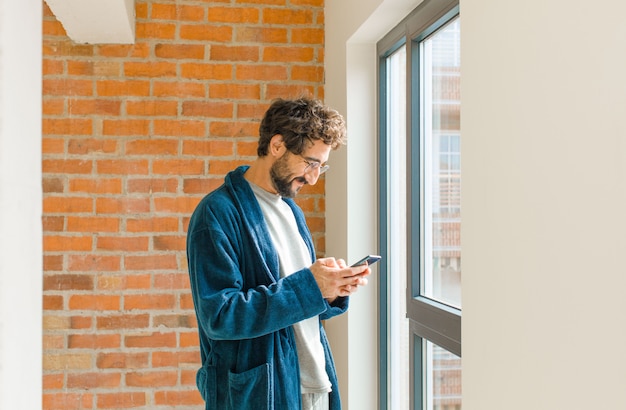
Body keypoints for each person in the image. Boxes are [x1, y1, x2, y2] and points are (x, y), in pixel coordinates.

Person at [186, 97, 371, 410]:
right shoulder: (217, 214)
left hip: (313, 386)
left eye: (321, 167)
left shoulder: (290, 210)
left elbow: (295, 306)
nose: (313, 178)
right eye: (310, 163)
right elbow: (220, 316)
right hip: (263, 392)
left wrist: (330, 290)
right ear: (277, 145)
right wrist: (311, 286)